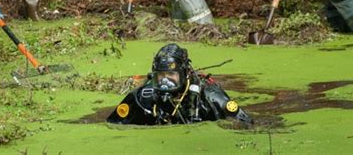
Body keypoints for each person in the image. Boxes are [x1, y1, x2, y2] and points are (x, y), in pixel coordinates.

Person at [107, 43, 252, 125]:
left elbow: (245, 123)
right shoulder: (142, 97)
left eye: (171, 76)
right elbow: (113, 124)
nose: (165, 82)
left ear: (185, 74)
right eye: (160, 77)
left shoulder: (210, 96)